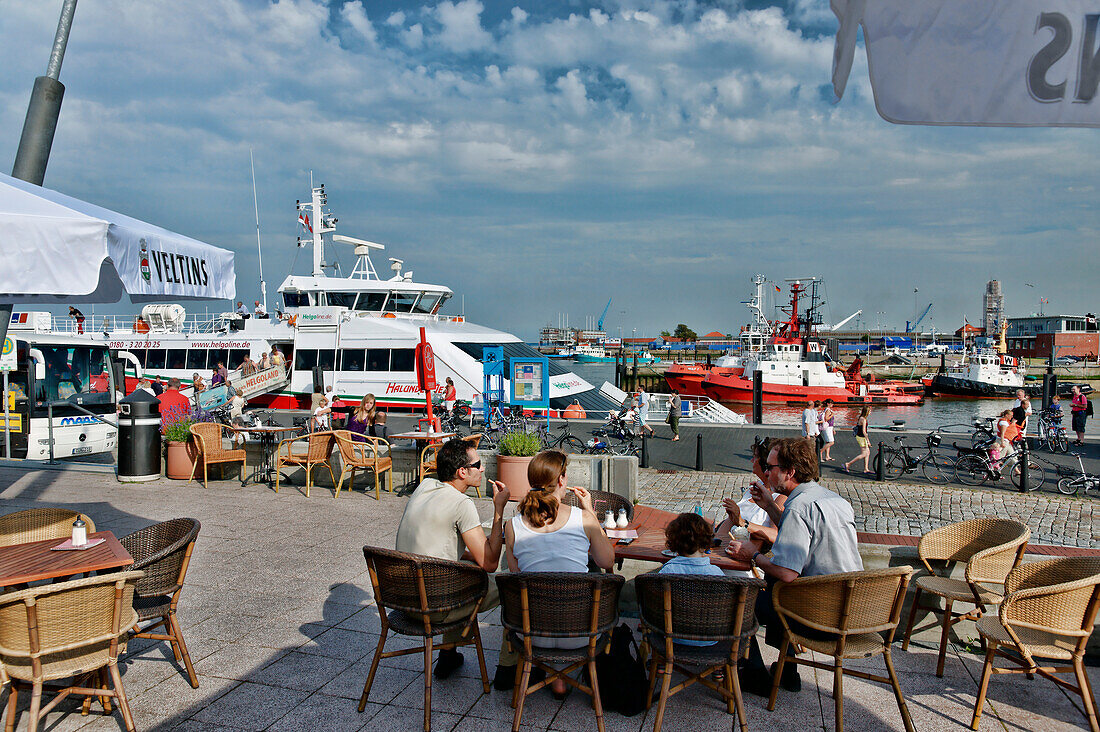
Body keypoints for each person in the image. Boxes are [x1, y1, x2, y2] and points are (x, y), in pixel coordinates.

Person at [726, 438, 863, 695]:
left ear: (790, 472)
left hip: (821, 618)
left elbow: (788, 573)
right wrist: (769, 506)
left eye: (771, 467)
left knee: (742, 599)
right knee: (774, 590)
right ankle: (788, 669)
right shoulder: (833, 500)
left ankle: (755, 675)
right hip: (851, 607)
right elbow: (802, 534)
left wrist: (751, 556)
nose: (766, 472)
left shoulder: (798, 507)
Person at [395, 438, 514, 682]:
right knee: (511, 587)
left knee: (466, 573)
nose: (482, 469)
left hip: (403, 598)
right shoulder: (462, 503)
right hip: (435, 607)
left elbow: (442, 546)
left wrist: (474, 553)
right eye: (478, 464)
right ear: (462, 471)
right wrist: (499, 510)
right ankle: (508, 669)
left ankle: (448, 655)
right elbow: (490, 563)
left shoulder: (424, 487)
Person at [504, 450, 615, 695]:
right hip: (581, 633)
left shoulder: (512, 527)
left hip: (531, 634)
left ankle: (556, 675)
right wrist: (592, 514)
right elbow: (607, 560)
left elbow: (515, 576)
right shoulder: (583, 518)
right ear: (562, 480)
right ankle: (561, 675)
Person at [658, 513, 729, 645]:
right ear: (706, 542)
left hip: (672, 639)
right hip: (710, 641)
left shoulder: (666, 573)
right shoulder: (717, 574)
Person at [714, 437, 787, 546]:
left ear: (765, 462)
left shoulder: (780, 497)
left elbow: (776, 535)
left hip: (749, 551)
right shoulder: (755, 487)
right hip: (729, 545)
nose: (752, 460)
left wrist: (743, 523)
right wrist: (715, 539)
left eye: (755, 457)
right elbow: (731, 520)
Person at [843, 406, 872, 474]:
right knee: (864, 453)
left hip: (860, 436)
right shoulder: (863, 420)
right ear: (867, 412)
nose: (870, 412)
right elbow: (864, 431)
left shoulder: (861, 417)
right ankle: (849, 463)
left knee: (868, 453)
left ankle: (866, 468)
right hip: (862, 437)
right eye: (870, 411)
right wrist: (868, 440)